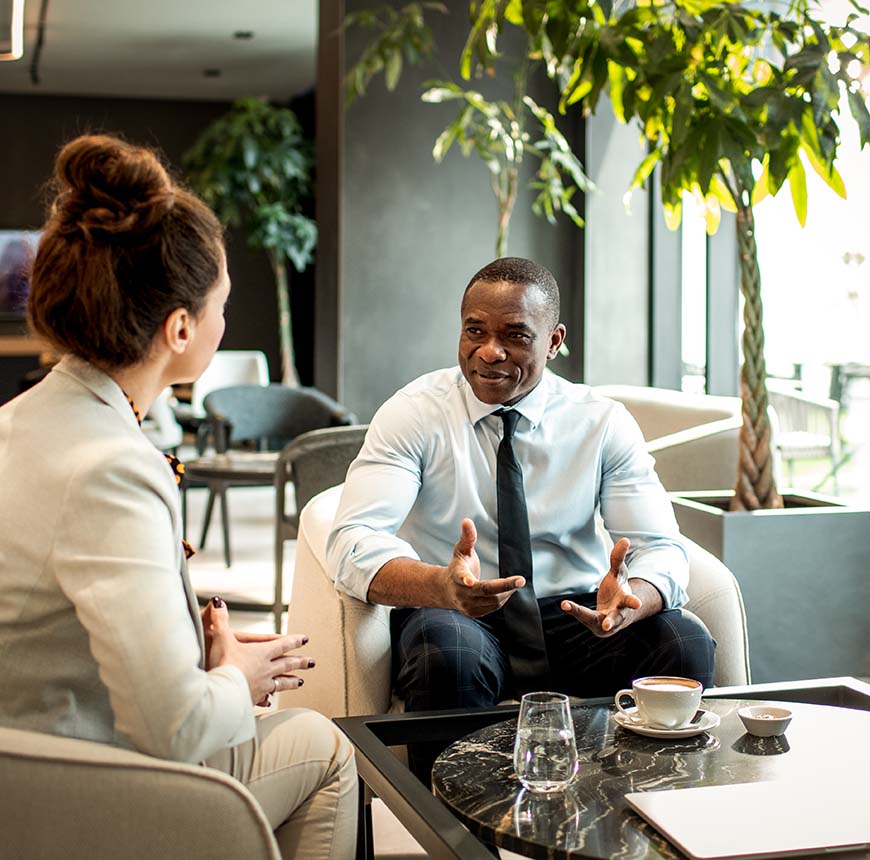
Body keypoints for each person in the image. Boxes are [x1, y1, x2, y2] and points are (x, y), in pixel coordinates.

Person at [0, 135, 356, 860]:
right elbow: (178, 729)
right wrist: (237, 674)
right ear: (182, 328)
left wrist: (192, 639)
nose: (226, 322)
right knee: (325, 746)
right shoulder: (112, 468)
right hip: (63, 784)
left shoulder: (25, 421)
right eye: (222, 303)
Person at [328, 256, 715, 776]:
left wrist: (632, 600)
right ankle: (462, 839)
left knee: (683, 639)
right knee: (446, 650)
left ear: (554, 341)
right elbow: (354, 539)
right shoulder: (414, 412)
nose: (490, 352)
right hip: (460, 608)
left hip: (579, 617)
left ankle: (645, 820)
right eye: (475, 331)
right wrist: (440, 587)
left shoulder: (600, 422)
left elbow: (661, 546)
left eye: (515, 335)